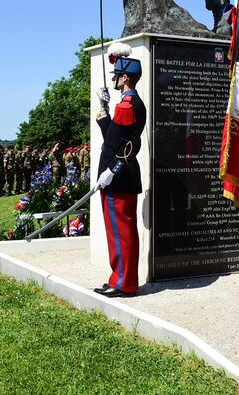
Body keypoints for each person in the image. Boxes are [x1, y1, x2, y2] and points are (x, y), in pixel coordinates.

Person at [93, 51, 147, 298]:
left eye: (116, 76)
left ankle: (124, 282)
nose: (113, 80)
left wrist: (110, 172)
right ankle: (119, 278)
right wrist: (104, 113)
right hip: (117, 175)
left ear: (125, 78)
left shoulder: (128, 104)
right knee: (116, 232)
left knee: (121, 232)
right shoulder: (126, 104)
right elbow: (115, 138)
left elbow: (125, 148)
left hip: (118, 176)